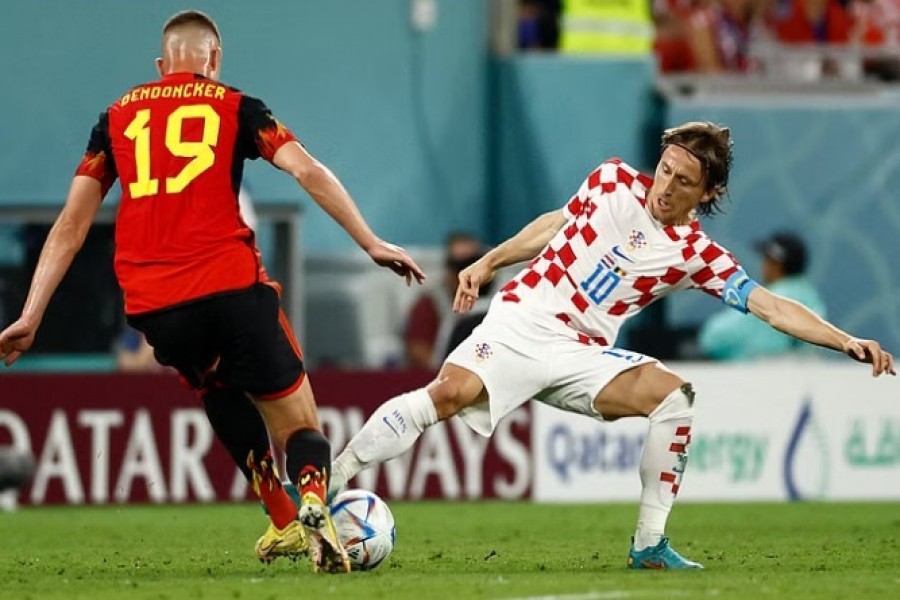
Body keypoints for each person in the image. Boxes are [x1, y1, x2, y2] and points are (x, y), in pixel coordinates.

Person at [326, 121, 895, 570]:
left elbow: (769, 305)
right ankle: (325, 483)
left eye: (682, 182)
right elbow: (556, 224)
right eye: (665, 171)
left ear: (709, 192)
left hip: (582, 355)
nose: (664, 188)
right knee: (447, 395)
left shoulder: (696, 253)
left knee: (676, 397)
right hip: (524, 319)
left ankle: (649, 546)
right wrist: (490, 261)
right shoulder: (613, 180)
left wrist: (845, 341)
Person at [0, 10, 425, 573]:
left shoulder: (116, 120)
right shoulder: (236, 107)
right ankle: (314, 501)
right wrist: (369, 240)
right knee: (298, 423)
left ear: (160, 65)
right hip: (229, 286)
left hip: (154, 305)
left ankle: (281, 518)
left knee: (215, 386)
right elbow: (308, 172)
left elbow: (71, 227)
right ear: (214, 61)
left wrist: (31, 314)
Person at [699, 231, 827, 361]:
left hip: (766, 376)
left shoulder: (771, 299)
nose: (763, 265)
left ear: (775, 264)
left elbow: (712, 339)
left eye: (766, 259)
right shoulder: (811, 297)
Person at [403, 232, 485, 369]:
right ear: (448, 268)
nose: (468, 272)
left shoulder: (499, 301)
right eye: (460, 266)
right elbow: (419, 353)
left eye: (474, 264)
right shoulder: (430, 304)